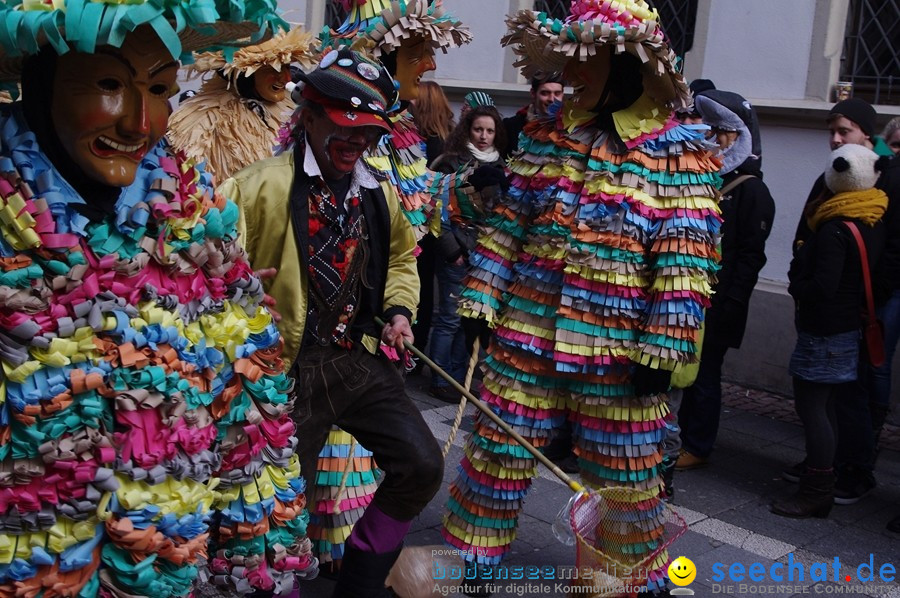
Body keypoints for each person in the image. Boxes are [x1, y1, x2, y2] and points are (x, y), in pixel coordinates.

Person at [0, 1, 316, 596]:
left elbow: (249, 398)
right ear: (42, 83)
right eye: (110, 84)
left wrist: (255, 544)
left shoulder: (196, 218)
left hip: (167, 568)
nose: (138, 124)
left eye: (160, 88)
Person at [442, 1, 722, 594]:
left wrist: (662, 348)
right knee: (497, 451)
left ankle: (622, 578)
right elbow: (508, 228)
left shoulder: (678, 154)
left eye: (589, 61)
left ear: (625, 67)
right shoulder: (548, 138)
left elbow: (684, 262)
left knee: (624, 477)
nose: (574, 75)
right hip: (527, 338)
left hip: (618, 360)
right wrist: (481, 301)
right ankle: (474, 562)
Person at [220, 48, 444, 597]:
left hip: (353, 361)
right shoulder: (256, 187)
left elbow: (398, 259)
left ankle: (363, 583)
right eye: (344, 128)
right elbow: (210, 273)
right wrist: (242, 308)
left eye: (367, 133)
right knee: (273, 505)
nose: (355, 143)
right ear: (311, 115)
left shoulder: (376, 191)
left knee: (421, 466)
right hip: (283, 372)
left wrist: (396, 311)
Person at [789, 98, 900, 506]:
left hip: (858, 304)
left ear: (866, 136)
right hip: (827, 300)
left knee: (853, 387)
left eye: (845, 131)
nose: (835, 139)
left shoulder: (881, 178)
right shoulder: (833, 172)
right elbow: (809, 225)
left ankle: (854, 467)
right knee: (826, 392)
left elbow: (889, 248)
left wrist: (869, 296)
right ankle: (825, 462)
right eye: (832, 131)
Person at [772, 144, 888, 519]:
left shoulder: (836, 227)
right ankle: (822, 480)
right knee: (827, 407)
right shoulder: (870, 216)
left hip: (825, 332)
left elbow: (823, 286)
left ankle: (816, 490)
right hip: (845, 330)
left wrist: (796, 282)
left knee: (813, 408)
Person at [676, 90, 776, 470]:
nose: (714, 138)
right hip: (694, 295)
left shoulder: (752, 191)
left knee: (705, 373)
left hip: (720, 301)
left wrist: (730, 303)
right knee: (688, 368)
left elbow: (751, 256)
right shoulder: (709, 181)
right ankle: (681, 433)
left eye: (723, 131)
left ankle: (698, 443)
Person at [428, 105, 506, 401]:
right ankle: (439, 376)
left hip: (485, 254)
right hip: (458, 250)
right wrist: (452, 251)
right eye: (478, 129)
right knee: (448, 316)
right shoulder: (450, 162)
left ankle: (458, 377)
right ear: (467, 130)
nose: (484, 136)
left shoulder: (500, 164)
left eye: (490, 131)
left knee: (468, 317)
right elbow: (434, 207)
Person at [168, 27, 316, 180]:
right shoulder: (204, 122)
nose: (286, 78)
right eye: (273, 68)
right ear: (243, 73)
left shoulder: (291, 106)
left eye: (286, 66)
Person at [408, 79, 455, 368]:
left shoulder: (429, 145)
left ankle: (416, 350)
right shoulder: (447, 140)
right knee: (424, 288)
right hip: (437, 228)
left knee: (420, 289)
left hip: (425, 225)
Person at [501, 72, 563, 157]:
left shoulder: (572, 129)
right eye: (545, 93)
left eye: (557, 93)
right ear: (533, 93)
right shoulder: (510, 126)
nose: (552, 99)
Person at [412, 80, 456, 166]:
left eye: (414, 98)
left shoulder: (435, 143)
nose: (410, 101)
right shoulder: (448, 137)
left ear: (425, 106)